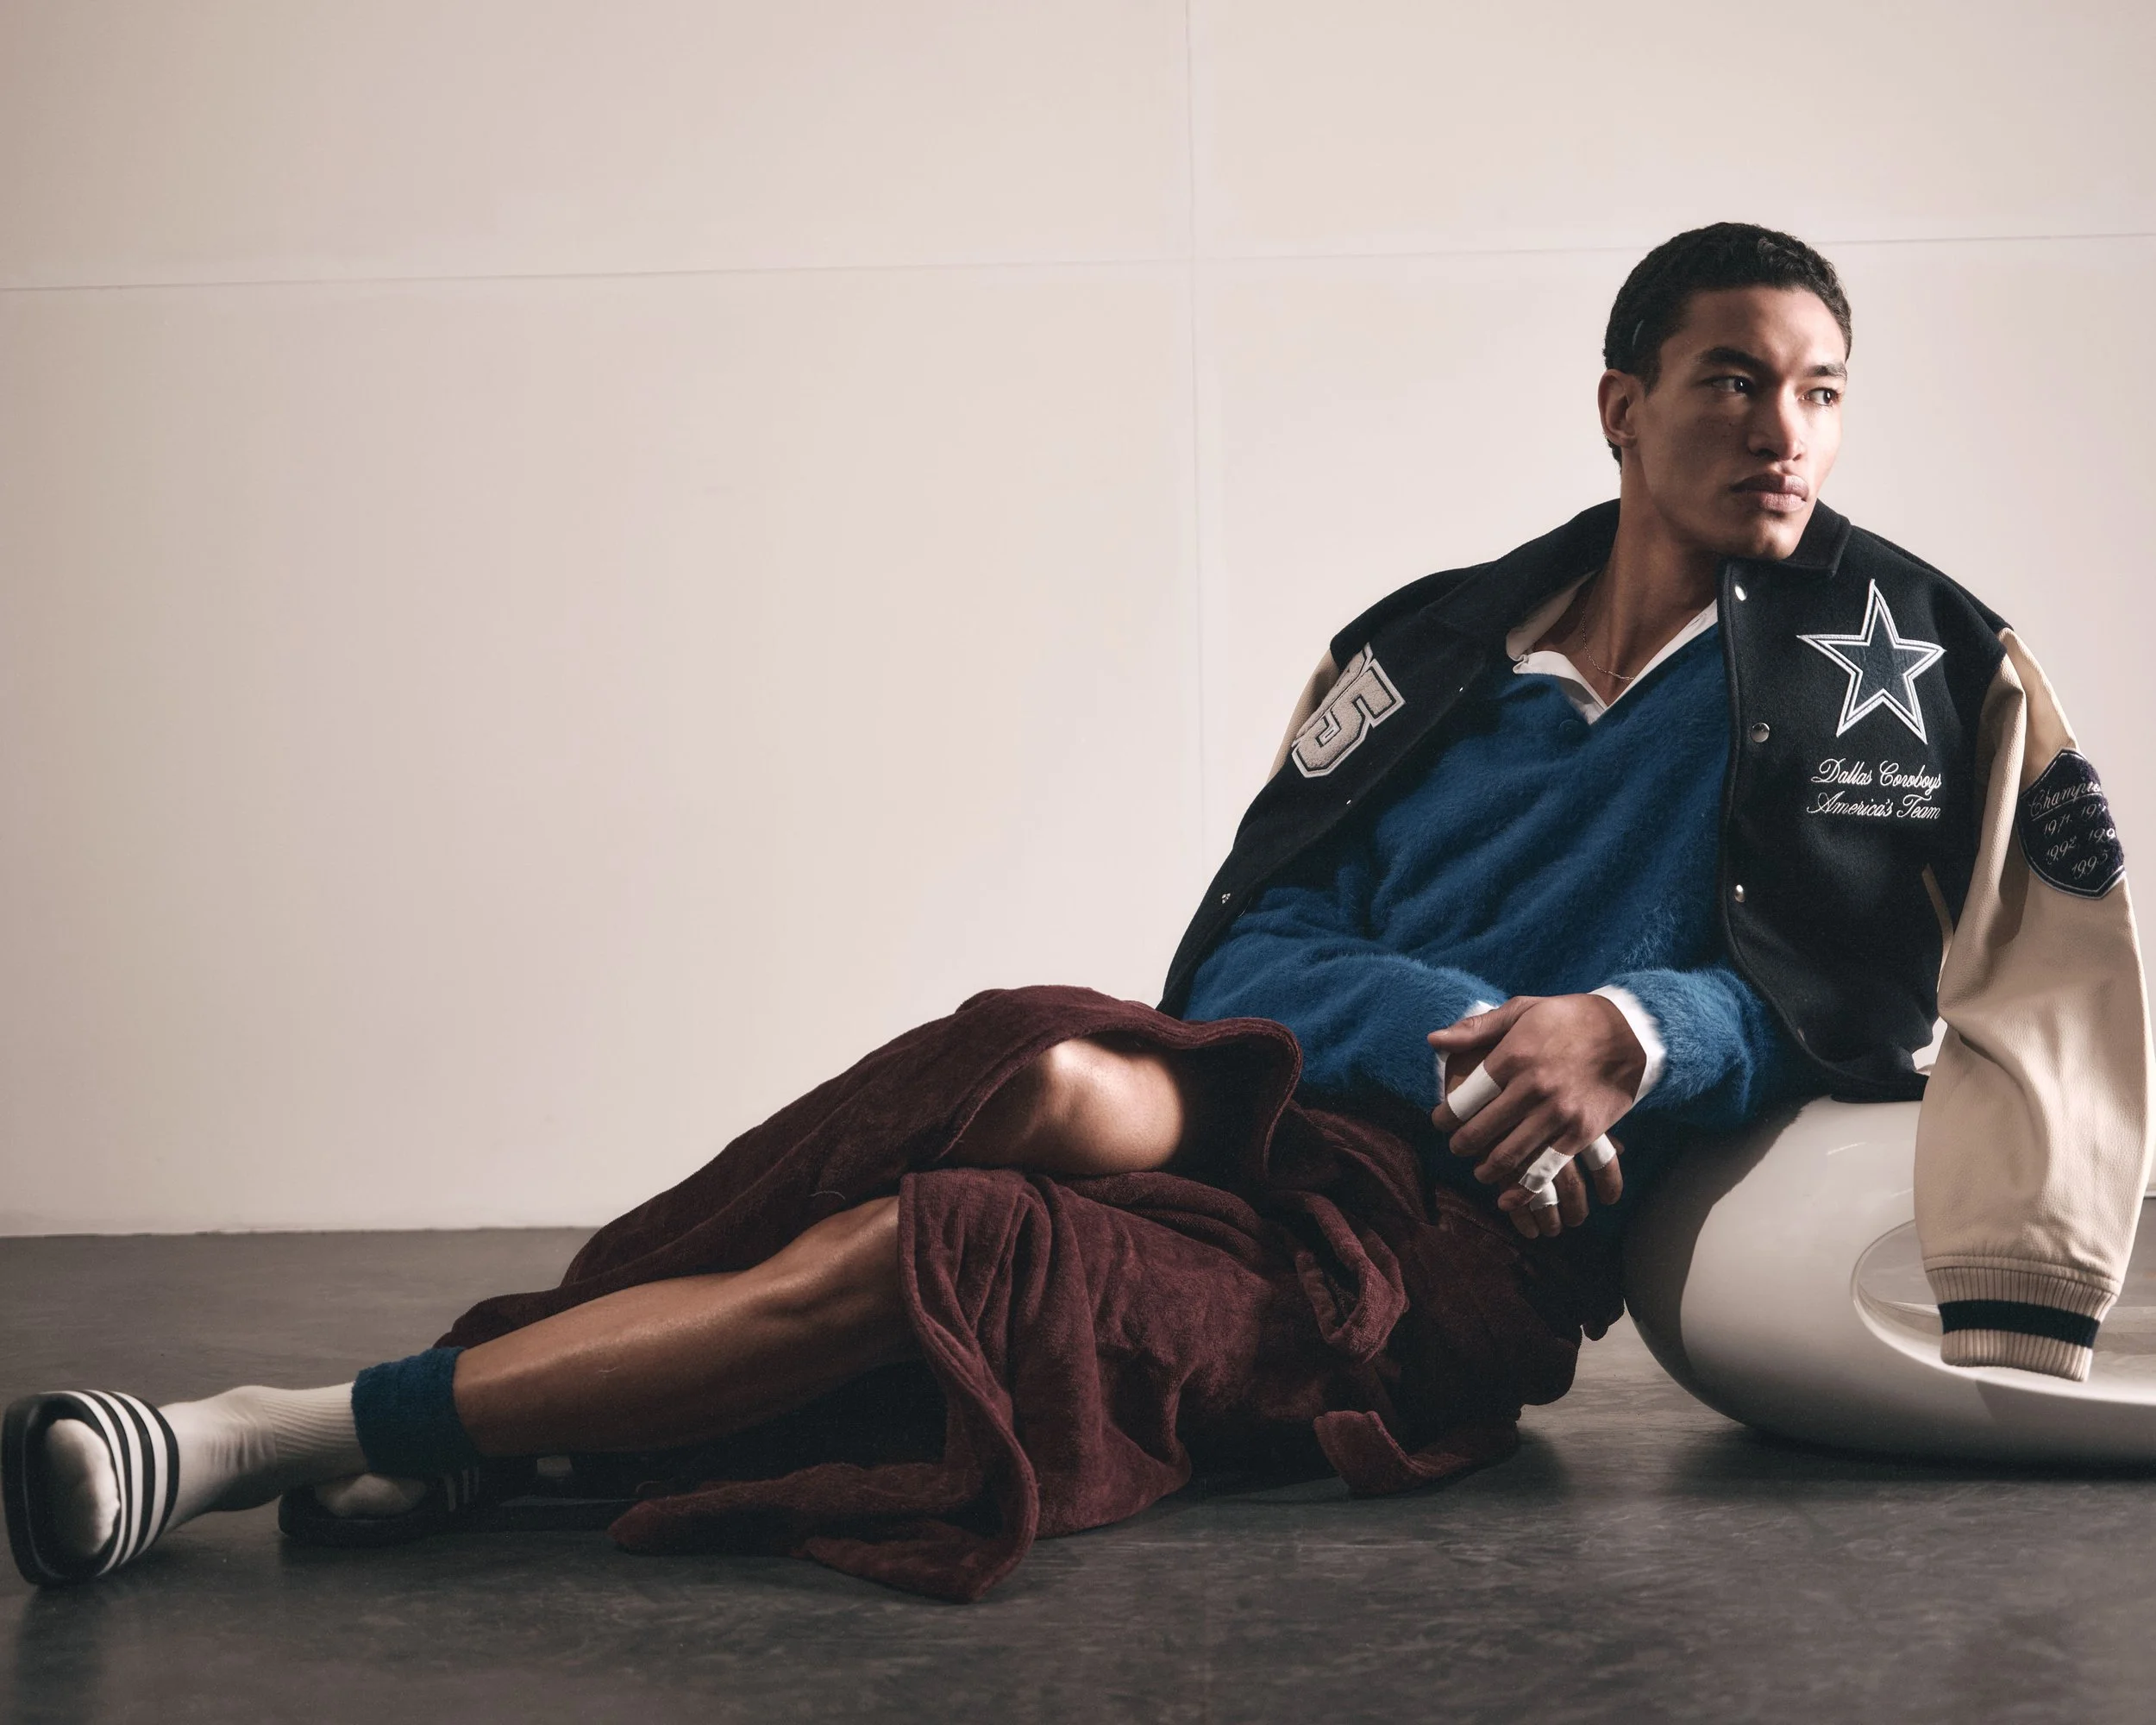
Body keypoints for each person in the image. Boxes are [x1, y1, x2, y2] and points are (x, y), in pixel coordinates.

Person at [9, 224, 2147, 1603]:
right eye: (1732, 380)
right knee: (1027, 1062)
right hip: (1297, 1089)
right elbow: (1242, 953)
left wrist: (1634, 1029)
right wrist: (1474, 1024)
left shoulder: (1886, 669)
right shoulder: (1425, 646)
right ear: (1621, 404)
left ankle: (265, 1432)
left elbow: (1854, 990)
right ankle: (515, 1395)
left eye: (1819, 389)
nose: (1784, 432)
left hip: (1460, 1245)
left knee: (948, 1253)